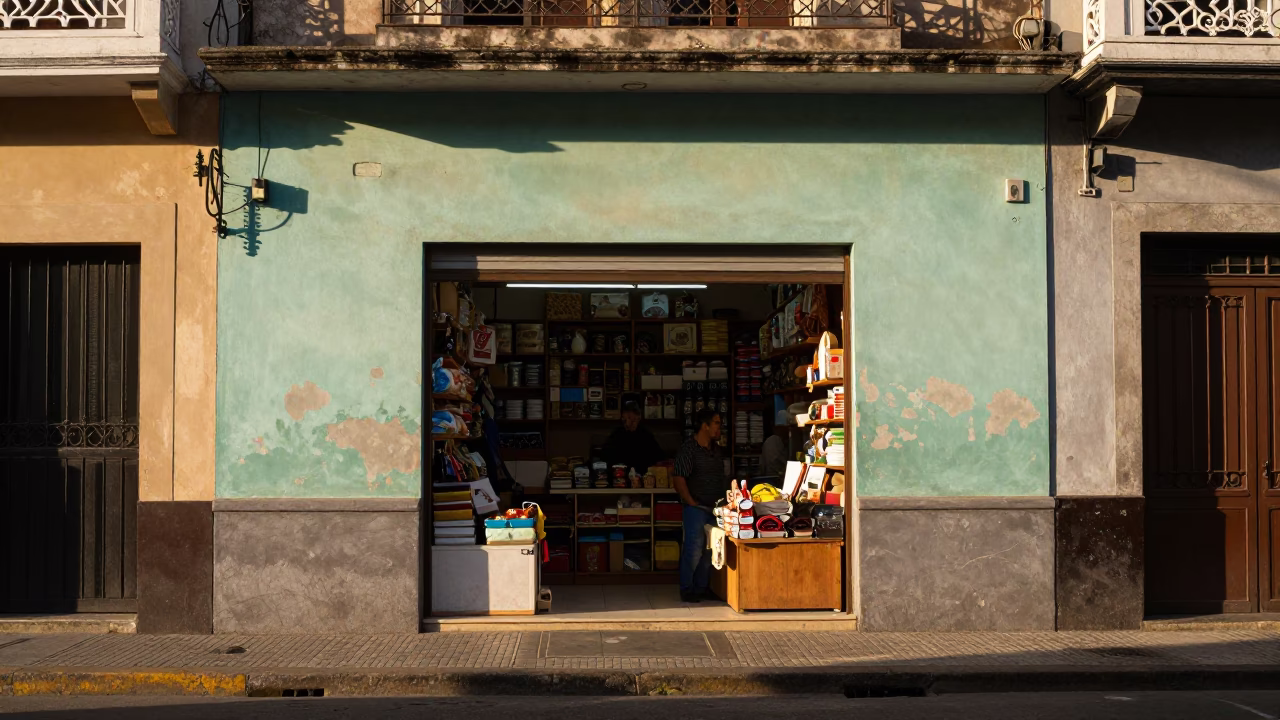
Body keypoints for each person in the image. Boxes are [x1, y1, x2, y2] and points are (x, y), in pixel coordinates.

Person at [672, 408, 729, 603]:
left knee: (711, 550)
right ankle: (687, 589)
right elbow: (679, 479)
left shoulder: (716, 450)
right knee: (693, 550)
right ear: (705, 426)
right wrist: (691, 502)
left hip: (715, 508)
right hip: (696, 509)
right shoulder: (688, 449)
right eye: (716, 423)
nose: (719, 427)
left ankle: (702, 588)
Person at [601, 402, 665, 475]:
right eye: (625, 421)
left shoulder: (646, 435)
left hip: (642, 477)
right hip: (620, 476)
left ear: (638, 418)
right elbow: (605, 456)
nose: (628, 424)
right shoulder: (616, 435)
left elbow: (659, 457)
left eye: (632, 421)